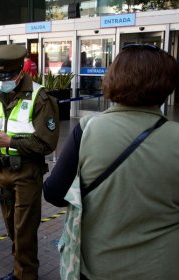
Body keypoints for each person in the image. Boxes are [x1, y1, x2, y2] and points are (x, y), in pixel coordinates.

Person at [43, 44, 179, 279]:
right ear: (167, 85)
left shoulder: (87, 130)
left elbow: (54, 193)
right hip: (163, 266)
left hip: (98, 265)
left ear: (113, 79)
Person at [0, 44, 60, 280]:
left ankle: (25, 275)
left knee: (25, 230)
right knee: (12, 228)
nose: (1, 81)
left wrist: (11, 140)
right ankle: (20, 269)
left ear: (20, 72)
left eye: (6, 77)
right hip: (3, 170)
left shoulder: (40, 97)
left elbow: (46, 144)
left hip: (27, 172)